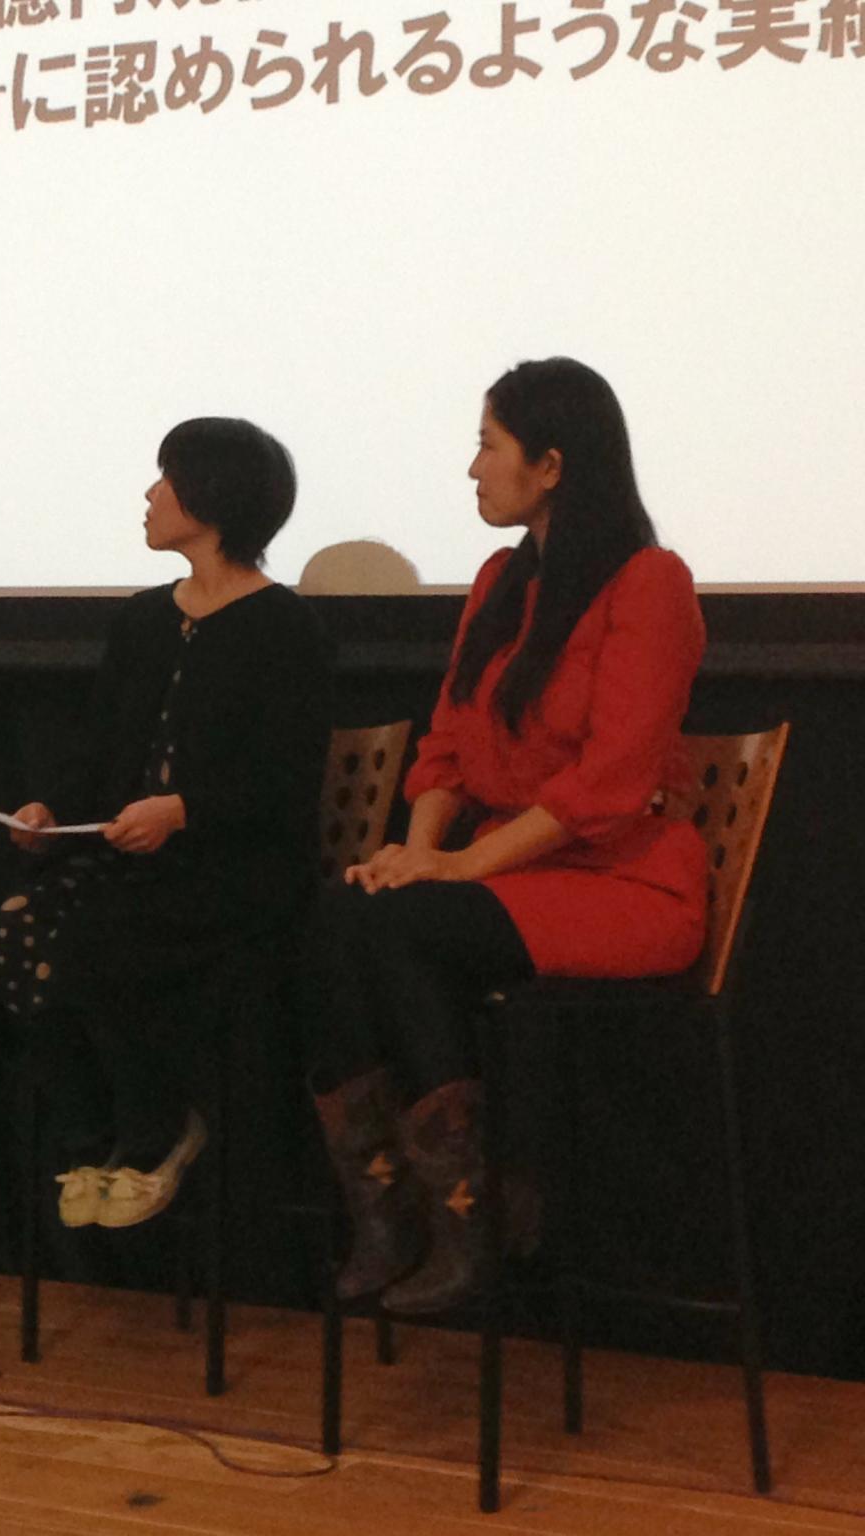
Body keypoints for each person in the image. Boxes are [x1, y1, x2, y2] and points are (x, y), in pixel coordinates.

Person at [306, 357, 707, 1314]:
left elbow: (609, 785)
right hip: (507, 874)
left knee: (404, 922)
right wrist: (414, 852)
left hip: (624, 885)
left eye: (490, 445)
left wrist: (449, 868)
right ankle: (386, 1209)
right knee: (342, 907)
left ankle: (467, 1212)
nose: (473, 468)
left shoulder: (650, 583)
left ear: (555, 463)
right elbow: (444, 745)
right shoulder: (500, 578)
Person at [0, 418, 330, 1230]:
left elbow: (284, 782)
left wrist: (185, 811)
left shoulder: (287, 630)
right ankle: (87, 1135)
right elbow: (103, 752)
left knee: (106, 935)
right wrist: (49, 813)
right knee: (20, 925)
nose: (149, 495)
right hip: (132, 861)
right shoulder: (142, 621)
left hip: (234, 867)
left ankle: (157, 1130)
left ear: (211, 496)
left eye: (165, 477)